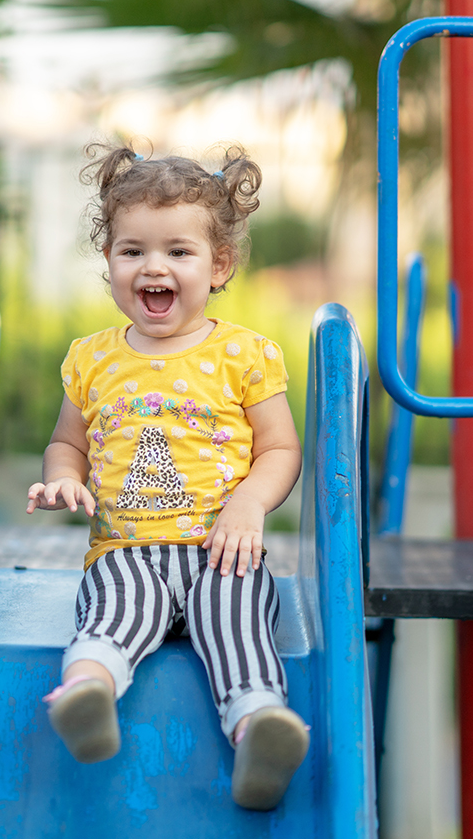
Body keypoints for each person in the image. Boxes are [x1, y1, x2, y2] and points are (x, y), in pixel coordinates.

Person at [26, 142, 308, 811]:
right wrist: (63, 477)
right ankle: (88, 693)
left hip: (224, 550)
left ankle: (258, 726)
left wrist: (248, 504)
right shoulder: (91, 359)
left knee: (237, 623)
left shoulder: (245, 354)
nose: (153, 266)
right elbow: (67, 442)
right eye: (133, 252)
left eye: (178, 252)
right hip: (127, 551)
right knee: (115, 614)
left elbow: (280, 449)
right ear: (110, 262)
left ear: (218, 265)